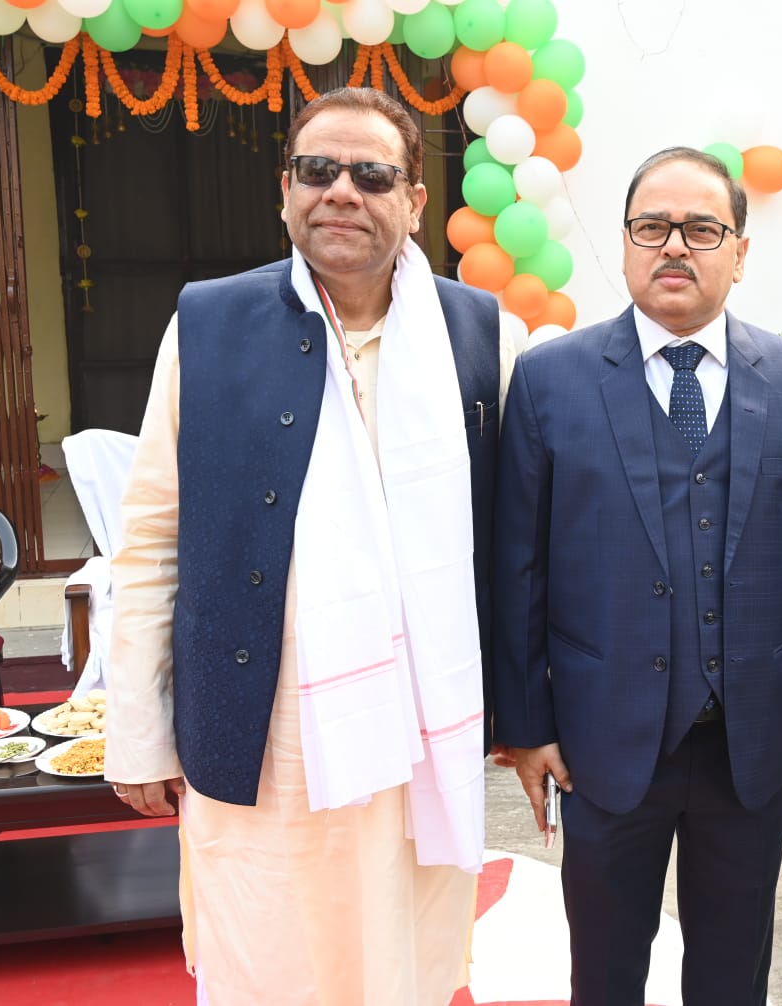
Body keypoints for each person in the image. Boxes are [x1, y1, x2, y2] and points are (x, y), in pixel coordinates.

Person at [103, 87, 513, 1004]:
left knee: (400, 947)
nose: (341, 192)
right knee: (269, 946)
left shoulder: (480, 333)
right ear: (284, 190)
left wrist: (523, 717)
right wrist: (138, 731)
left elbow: (511, 544)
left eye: (372, 175)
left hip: (417, 725)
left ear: (415, 202)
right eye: (317, 170)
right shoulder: (207, 325)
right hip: (264, 723)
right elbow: (152, 538)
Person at [492, 147, 782, 1006]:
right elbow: (519, 569)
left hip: (749, 739)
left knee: (733, 973)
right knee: (605, 969)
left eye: (702, 229)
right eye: (652, 227)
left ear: (740, 251)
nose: (675, 247)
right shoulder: (550, 381)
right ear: (625, 245)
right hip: (603, 738)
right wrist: (526, 726)